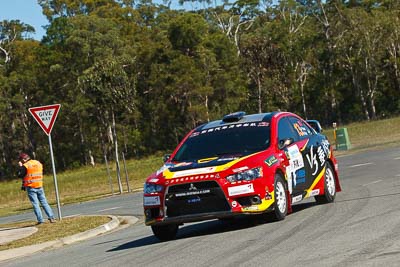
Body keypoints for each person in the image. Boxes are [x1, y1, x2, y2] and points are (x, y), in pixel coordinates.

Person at [17, 152, 56, 224]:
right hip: (39, 185)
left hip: (31, 187)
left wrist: (20, 167)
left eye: (21, 160)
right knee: (44, 202)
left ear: (23, 159)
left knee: (35, 204)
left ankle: (40, 220)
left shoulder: (26, 165)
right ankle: (51, 217)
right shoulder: (38, 163)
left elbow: (20, 175)